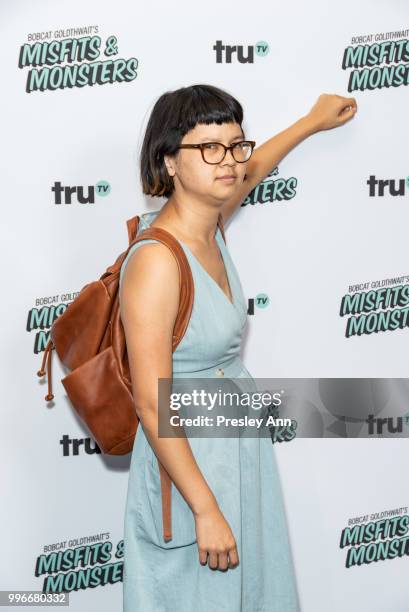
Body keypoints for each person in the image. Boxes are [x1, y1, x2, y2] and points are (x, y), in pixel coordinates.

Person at [119, 84, 357, 611]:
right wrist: (204, 509)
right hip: (189, 464)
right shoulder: (157, 260)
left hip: (236, 442)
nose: (227, 161)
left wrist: (311, 121)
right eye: (208, 148)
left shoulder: (212, 225)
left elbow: (254, 169)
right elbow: (153, 402)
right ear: (169, 162)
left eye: (234, 144)